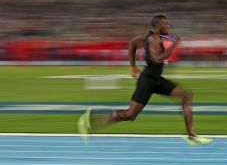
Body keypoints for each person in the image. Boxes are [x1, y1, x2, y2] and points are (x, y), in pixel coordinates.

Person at [78, 14, 212, 145]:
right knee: (130, 115)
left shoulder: (150, 37)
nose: (168, 26)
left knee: (186, 95)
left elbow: (132, 44)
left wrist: (133, 66)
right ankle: (90, 122)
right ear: (158, 26)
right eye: (166, 24)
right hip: (147, 81)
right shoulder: (152, 39)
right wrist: (173, 45)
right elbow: (157, 59)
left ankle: (191, 135)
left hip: (156, 79)